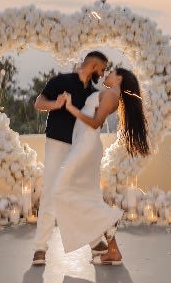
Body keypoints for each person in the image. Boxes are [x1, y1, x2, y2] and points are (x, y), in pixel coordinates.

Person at [54, 66, 150, 265]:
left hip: (86, 147)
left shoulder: (112, 95)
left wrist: (70, 107)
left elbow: (95, 122)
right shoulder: (107, 94)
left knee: (60, 190)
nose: (107, 75)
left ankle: (109, 221)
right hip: (84, 145)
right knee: (90, 198)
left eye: (111, 72)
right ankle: (111, 250)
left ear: (119, 78)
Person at [31, 50, 109, 265]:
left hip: (79, 149)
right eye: (102, 70)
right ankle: (40, 248)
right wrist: (55, 104)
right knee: (50, 192)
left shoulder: (93, 93)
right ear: (93, 66)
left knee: (81, 192)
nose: (103, 75)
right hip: (56, 143)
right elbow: (38, 103)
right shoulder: (61, 80)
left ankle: (94, 242)